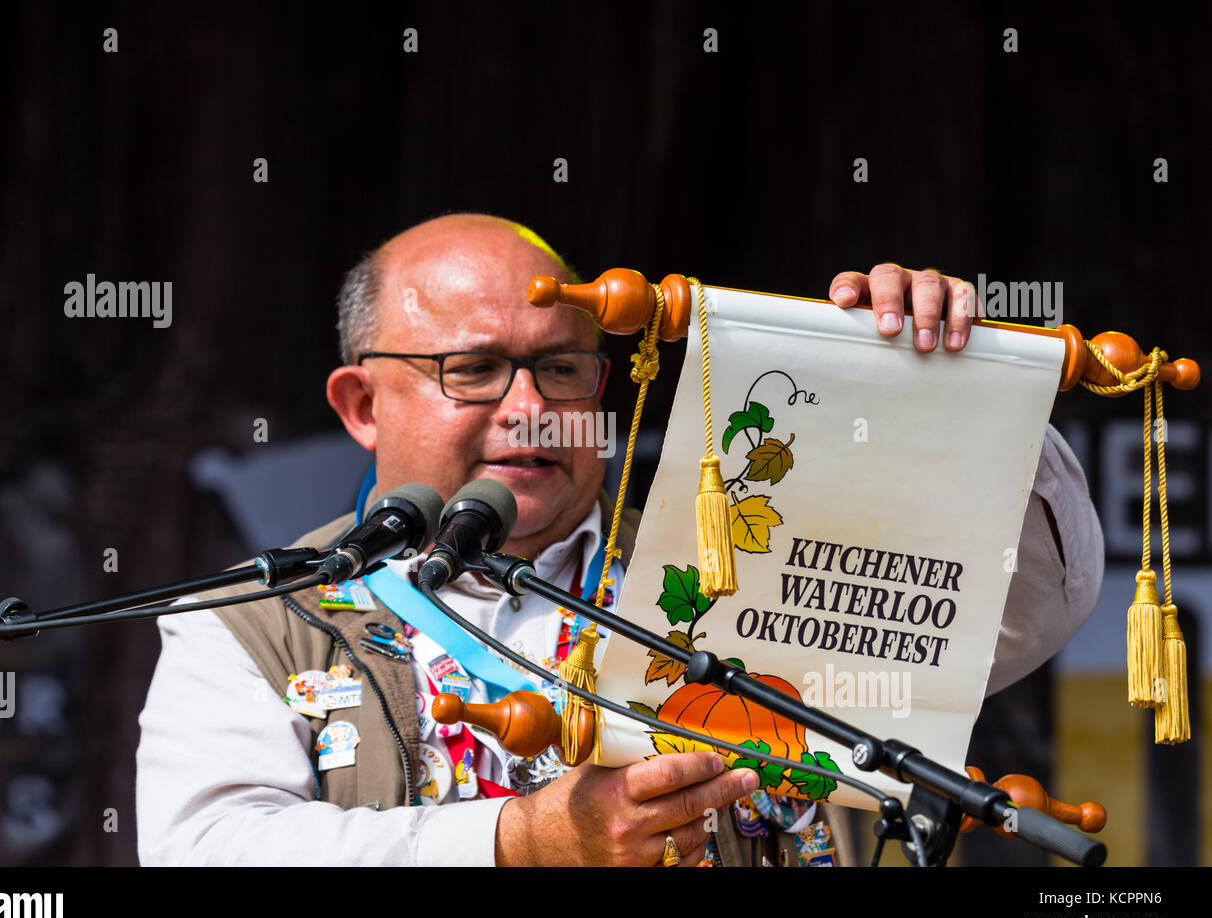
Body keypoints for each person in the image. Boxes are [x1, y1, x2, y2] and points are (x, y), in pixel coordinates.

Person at [136, 213, 1104, 866]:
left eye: (561, 368)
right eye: (472, 369)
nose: (528, 406)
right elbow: (206, 848)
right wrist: (518, 841)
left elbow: (1025, 604)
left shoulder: (737, 572)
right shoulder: (252, 621)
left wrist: (954, 391)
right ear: (361, 404)